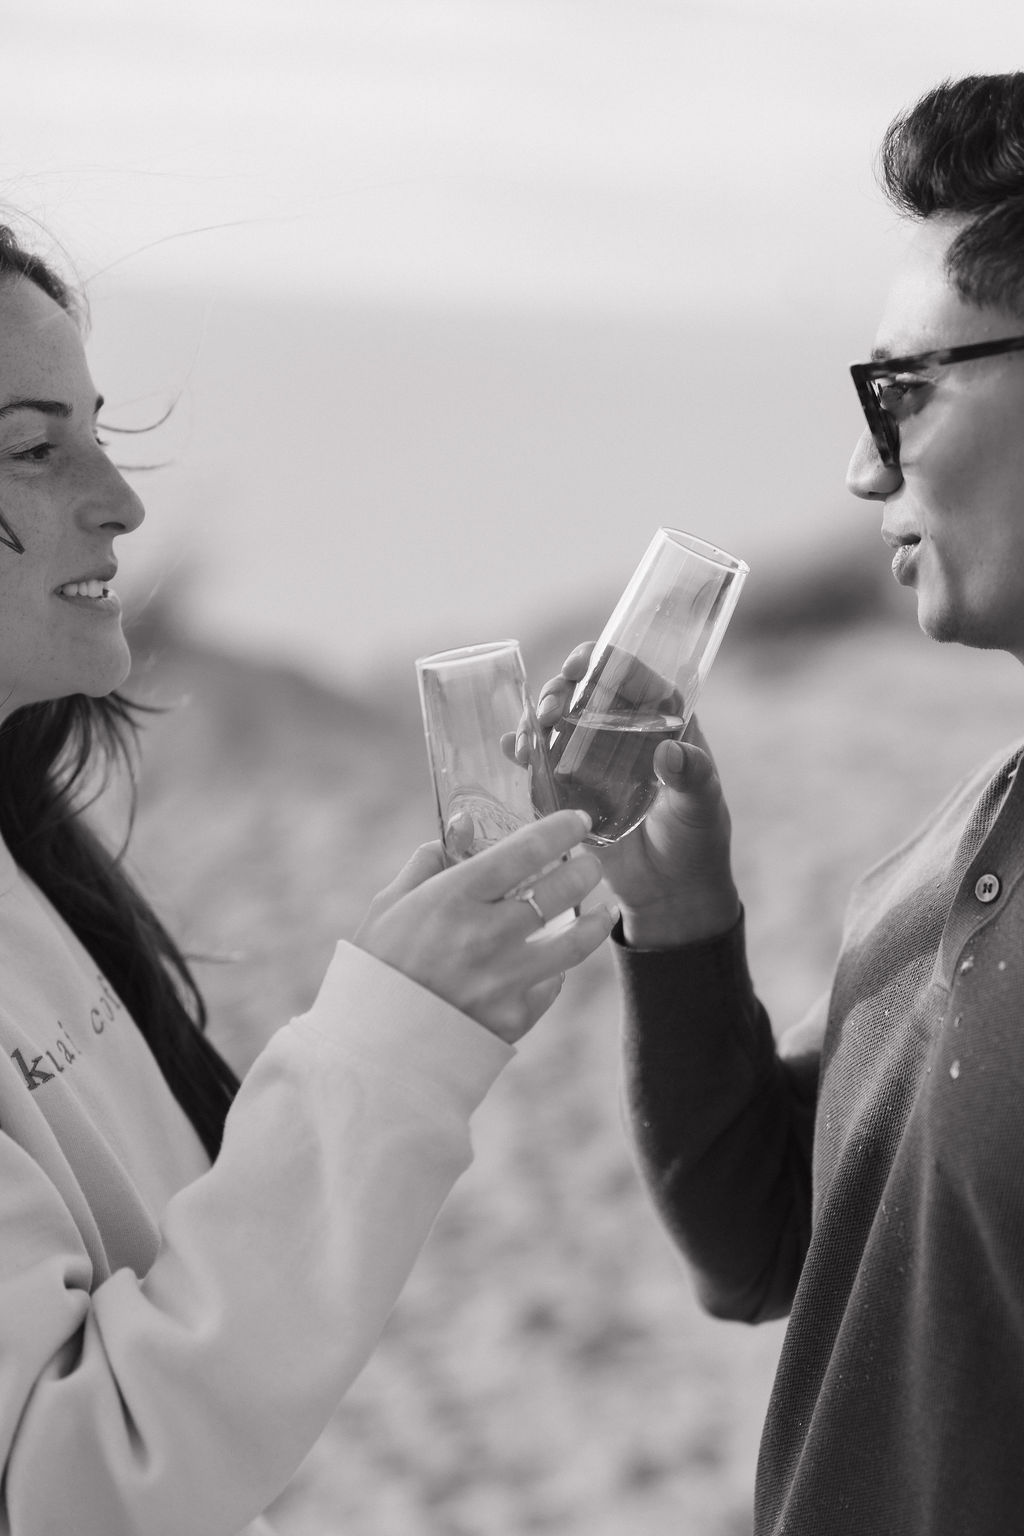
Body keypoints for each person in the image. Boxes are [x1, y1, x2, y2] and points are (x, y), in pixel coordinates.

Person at [0, 224, 617, 1535]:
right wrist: (389, 1043)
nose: (121, 500)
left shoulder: (28, 863)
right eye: (35, 447)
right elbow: (71, 1479)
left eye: (101, 433)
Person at [537, 71, 1024, 1534]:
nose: (866, 462)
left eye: (907, 388)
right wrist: (681, 927)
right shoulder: (962, 843)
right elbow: (766, 1245)